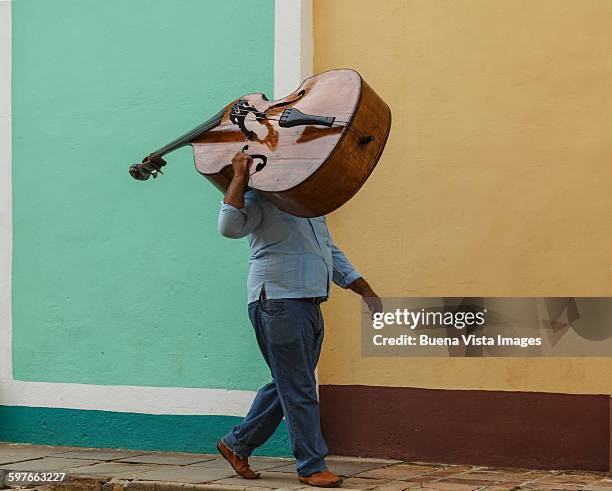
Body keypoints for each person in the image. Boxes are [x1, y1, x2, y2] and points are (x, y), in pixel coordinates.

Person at [215, 152, 382, 488]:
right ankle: (310, 465)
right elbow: (228, 226)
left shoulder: (309, 204)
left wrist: (364, 289)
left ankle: (236, 444)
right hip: (277, 300)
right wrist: (239, 176)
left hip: (308, 302)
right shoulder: (261, 195)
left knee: (288, 383)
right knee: (300, 386)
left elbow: (328, 250)